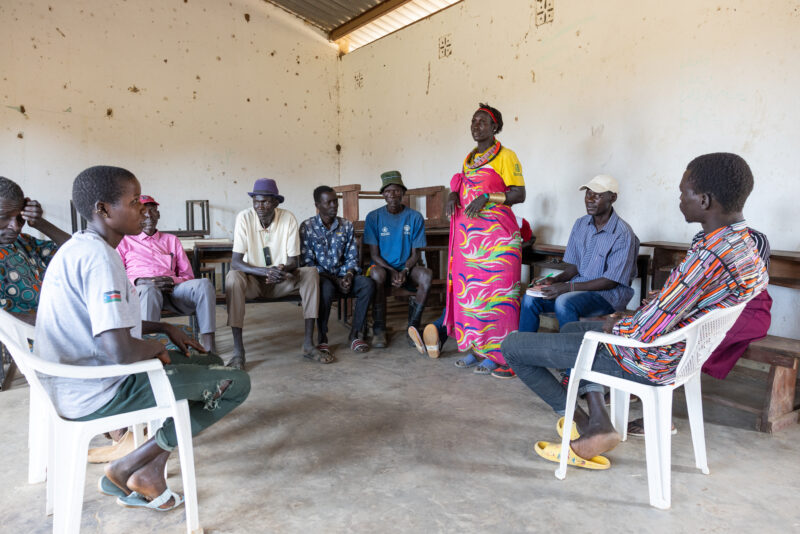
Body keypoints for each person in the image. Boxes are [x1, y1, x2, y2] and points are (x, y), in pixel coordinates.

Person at [501, 152, 768, 466]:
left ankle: (585, 425)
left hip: (650, 358)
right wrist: (655, 304)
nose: (680, 199)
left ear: (705, 200)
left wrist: (614, 325)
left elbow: (644, 331)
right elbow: (689, 303)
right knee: (575, 328)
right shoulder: (747, 246)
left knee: (513, 346)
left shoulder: (709, 255)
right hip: (684, 353)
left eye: (684, 192)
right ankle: (598, 424)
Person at [35, 165, 250, 510]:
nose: (143, 210)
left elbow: (109, 323)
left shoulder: (82, 247)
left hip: (80, 378)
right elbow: (120, 350)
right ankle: (130, 465)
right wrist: (157, 348)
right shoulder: (100, 260)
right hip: (97, 390)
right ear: (103, 209)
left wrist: (165, 328)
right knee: (236, 384)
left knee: (209, 362)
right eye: (134, 202)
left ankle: (149, 465)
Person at [626, 227, 772, 436]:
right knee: (651, 320)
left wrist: (680, 301)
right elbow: (693, 282)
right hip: (706, 302)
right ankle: (634, 383)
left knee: (680, 338)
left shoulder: (754, 238)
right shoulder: (701, 238)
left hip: (745, 308)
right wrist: (666, 296)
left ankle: (661, 413)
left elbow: (746, 288)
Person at [442, 103, 526, 378]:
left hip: (499, 242)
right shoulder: (468, 159)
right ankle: (477, 349)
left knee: (497, 296)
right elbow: (463, 185)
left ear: (494, 127)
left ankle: (499, 354)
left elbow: (519, 193)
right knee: (472, 296)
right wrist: (454, 194)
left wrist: (489, 197)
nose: (475, 126)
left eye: (482, 122)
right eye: (473, 121)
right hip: (470, 242)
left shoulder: (506, 156)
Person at [225, 178, 327, 369]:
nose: (259, 206)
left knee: (311, 273)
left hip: (280, 281)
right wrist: (264, 271)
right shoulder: (244, 218)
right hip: (253, 282)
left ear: (275, 202)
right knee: (233, 277)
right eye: (256, 201)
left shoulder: (288, 218)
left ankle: (308, 344)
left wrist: (280, 270)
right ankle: (238, 352)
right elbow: (236, 262)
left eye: (265, 201)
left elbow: (293, 261)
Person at [520, 175, 639, 335]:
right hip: (577, 289)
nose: (590, 199)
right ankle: (522, 351)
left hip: (608, 296)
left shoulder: (622, 233)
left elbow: (610, 281)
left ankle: (571, 354)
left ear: (613, 198)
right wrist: (556, 280)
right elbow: (576, 266)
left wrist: (568, 287)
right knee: (530, 299)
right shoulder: (581, 224)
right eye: (588, 194)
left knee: (564, 302)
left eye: (597, 195)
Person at [409, 216, 534, 359]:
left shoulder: (475, 219)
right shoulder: (516, 220)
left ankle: (437, 331)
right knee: (477, 308)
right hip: (494, 274)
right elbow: (529, 239)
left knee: (460, 304)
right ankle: (442, 335)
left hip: (472, 272)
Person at [117, 195, 217, 352]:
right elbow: (117, 278)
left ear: (158, 214)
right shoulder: (124, 241)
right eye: (143, 211)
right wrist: (140, 281)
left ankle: (209, 348)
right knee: (149, 290)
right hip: (142, 294)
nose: (149, 215)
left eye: (152, 211)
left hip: (173, 291)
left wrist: (172, 281)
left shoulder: (171, 240)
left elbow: (187, 275)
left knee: (203, 284)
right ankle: (149, 347)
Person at [300, 186, 375, 353]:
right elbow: (307, 263)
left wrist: (349, 274)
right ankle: (322, 338)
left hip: (343, 276)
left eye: (336, 201)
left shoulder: (346, 226)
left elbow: (352, 256)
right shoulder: (307, 227)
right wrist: (336, 280)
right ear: (318, 205)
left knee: (368, 284)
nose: (334, 205)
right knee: (325, 289)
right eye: (329, 202)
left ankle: (355, 335)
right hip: (322, 277)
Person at [363, 171, 432, 348]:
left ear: (403, 193)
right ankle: (379, 329)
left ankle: (413, 327)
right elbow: (374, 255)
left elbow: (416, 254)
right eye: (388, 191)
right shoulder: (374, 217)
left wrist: (404, 271)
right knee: (377, 275)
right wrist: (393, 271)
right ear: (383, 194)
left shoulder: (414, 217)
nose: (393, 195)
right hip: (383, 268)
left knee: (426, 275)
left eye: (397, 190)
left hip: (406, 268)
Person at [0, 176, 70, 325]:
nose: (16, 226)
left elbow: (79, 252)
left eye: (19, 217)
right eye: (4, 217)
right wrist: (55, 324)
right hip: (18, 343)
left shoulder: (24, 243)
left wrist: (40, 223)